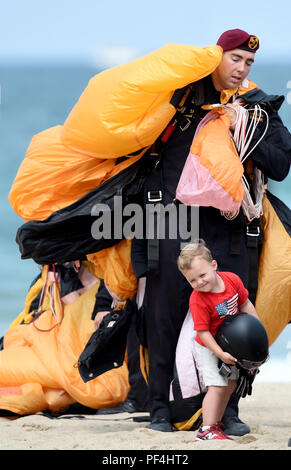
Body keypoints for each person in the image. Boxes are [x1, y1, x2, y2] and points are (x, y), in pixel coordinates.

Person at [130, 28, 291, 433]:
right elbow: (137, 150)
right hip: (176, 221)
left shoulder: (258, 108)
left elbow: (280, 166)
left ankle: (229, 411)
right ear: (216, 57)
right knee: (165, 314)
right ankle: (158, 410)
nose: (241, 68)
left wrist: (242, 132)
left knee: (229, 316)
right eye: (235, 59)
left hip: (230, 227)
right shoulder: (178, 99)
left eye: (248, 62)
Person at [177, 240, 260, 440]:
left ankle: (216, 422)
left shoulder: (232, 280)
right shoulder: (198, 299)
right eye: (192, 280)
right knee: (217, 385)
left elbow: (245, 303)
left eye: (202, 275)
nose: (199, 283)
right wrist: (219, 354)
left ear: (214, 265)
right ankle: (206, 429)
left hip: (227, 344)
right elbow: (203, 333)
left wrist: (257, 330)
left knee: (230, 384)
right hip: (207, 346)